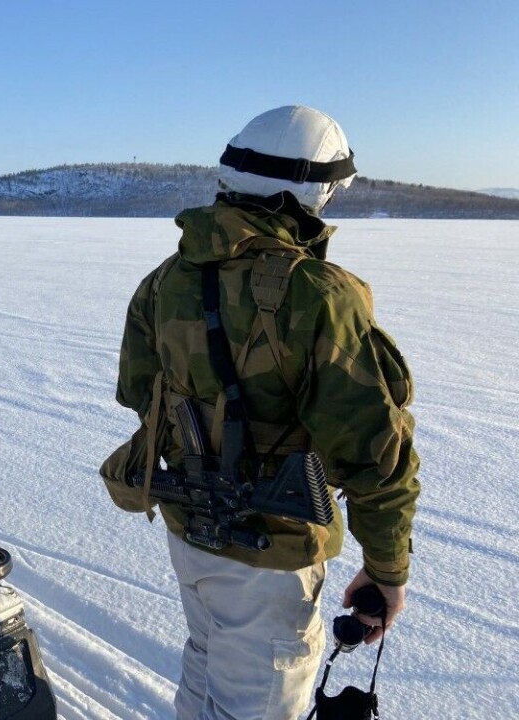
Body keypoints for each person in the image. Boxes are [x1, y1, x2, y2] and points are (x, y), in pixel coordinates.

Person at [101, 106, 419, 720]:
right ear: (309, 193)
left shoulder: (164, 281)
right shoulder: (320, 293)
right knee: (260, 703)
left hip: (189, 533)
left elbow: (139, 392)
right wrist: (386, 570)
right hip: (270, 557)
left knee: (205, 658)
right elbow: (374, 456)